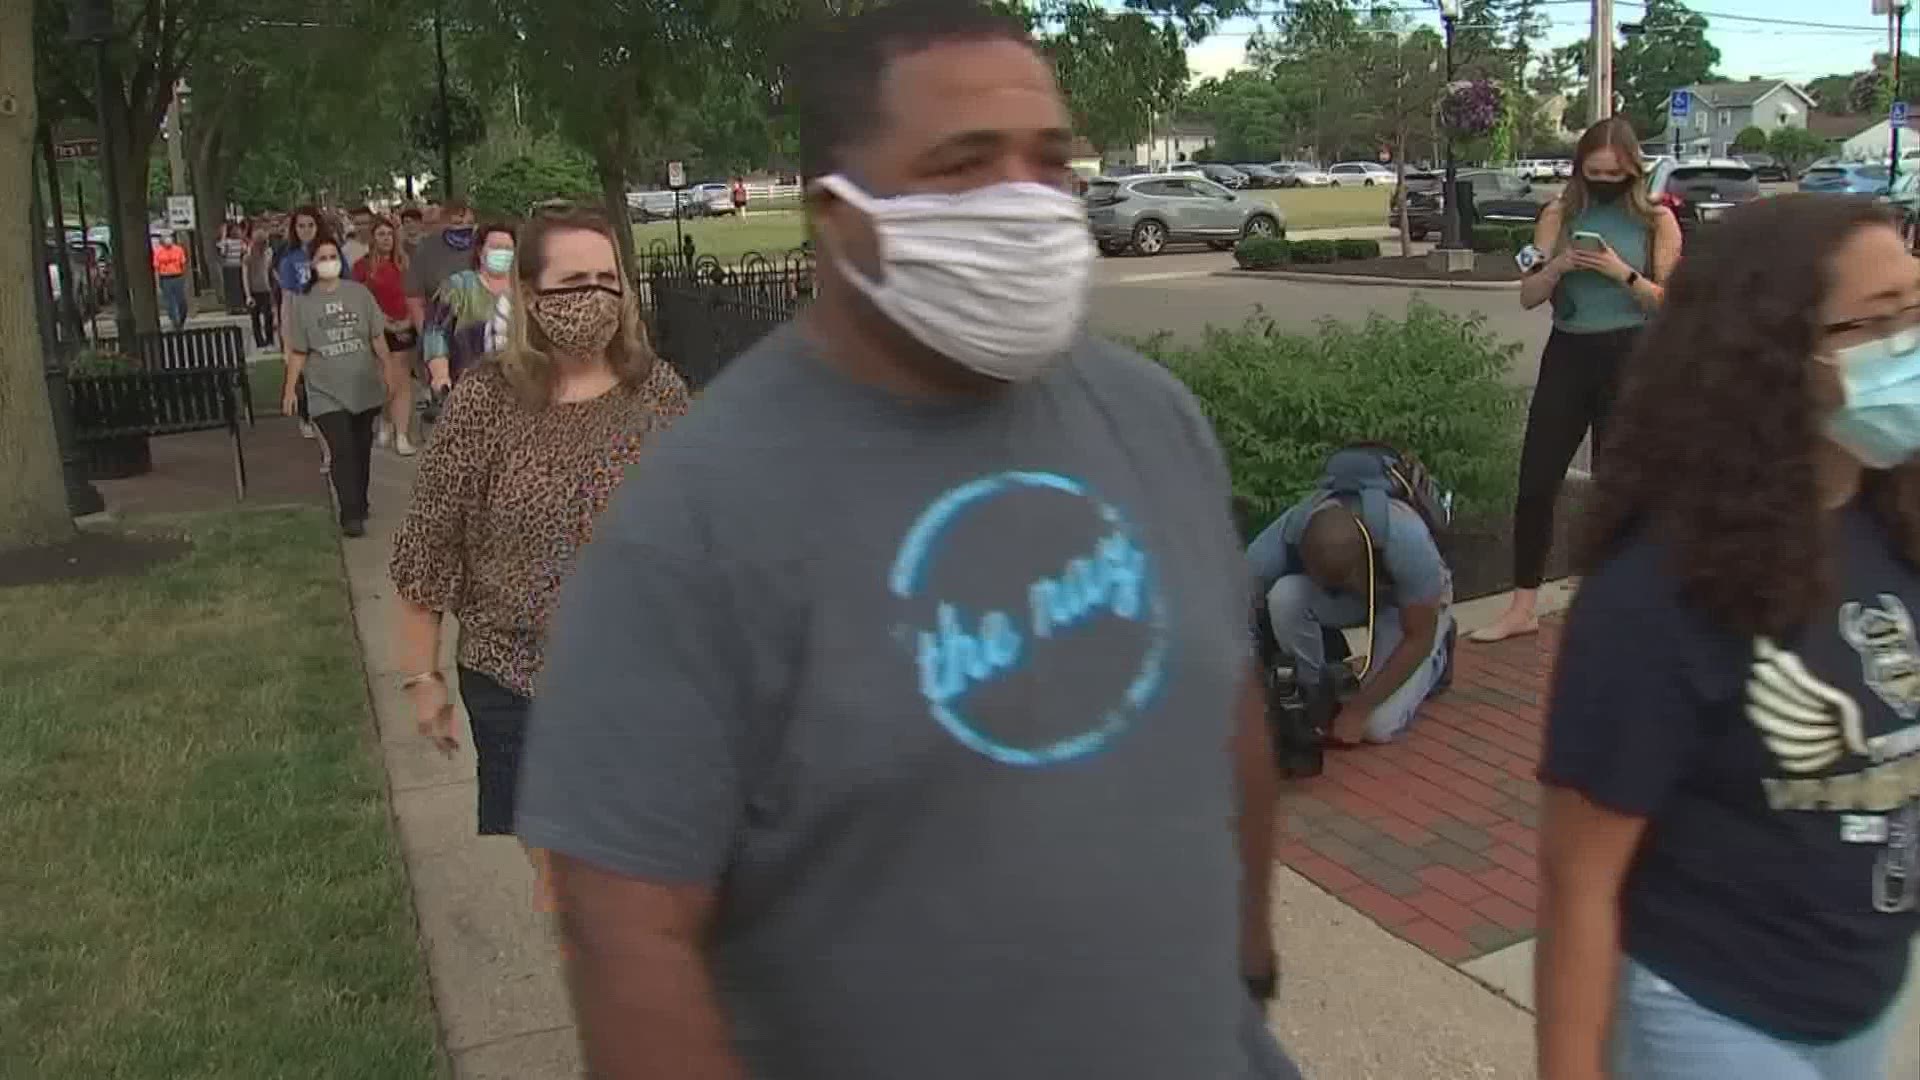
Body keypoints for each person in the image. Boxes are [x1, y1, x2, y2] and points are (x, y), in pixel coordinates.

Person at [515, 5, 1301, 1079]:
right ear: (843, 218)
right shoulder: (693, 522)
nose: (1026, 199)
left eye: (1050, 159)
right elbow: (626, 929)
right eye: (965, 164)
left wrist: (1247, 980)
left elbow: (1228, 712)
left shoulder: (1154, 418)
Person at [1536, 195, 1920, 1080]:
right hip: (1714, 1016)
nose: (1908, 343)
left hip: (1863, 999)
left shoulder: (1894, 523)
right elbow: (1580, 882)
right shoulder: (1658, 592)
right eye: (1879, 322)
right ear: (1776, 356)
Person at [388, 208, 689, 913]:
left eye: (607, 279)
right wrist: (421, 677)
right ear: (527, 294)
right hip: (517, 682)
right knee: (575, 894)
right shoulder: (485, 406)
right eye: (572, 281)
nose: (594, 297)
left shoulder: (660, 395)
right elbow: (427, 549)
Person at [1471, 116, 1682, 644]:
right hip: (1568, 351)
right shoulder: (1559, 214)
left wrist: (1620, 272)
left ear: (1634, 169)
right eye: (1595, 170)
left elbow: (1670, 304)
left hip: (1630, 353)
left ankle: (1615, 598)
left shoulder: (1658, 221)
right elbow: (1527, 293)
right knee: (1538, 478)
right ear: (1579, 169)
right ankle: (1523, 606)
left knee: (1618, 485)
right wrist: (1560, 264)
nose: (1606, 178)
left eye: (1615, 171)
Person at [1249, 458, 1455, 746]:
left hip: (1405, 606)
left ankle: (1440, 656)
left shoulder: (1407, 539)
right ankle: (1313, 687)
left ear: (1365, 557)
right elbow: (1233, 604)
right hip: (1358, 597)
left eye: (1342, 579)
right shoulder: (1288, 532)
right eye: (1323, 581)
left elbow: (1418, 636)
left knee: (1377, 726)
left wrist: (1359, 709)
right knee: (1286, 594)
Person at [283, 238, 391, 538]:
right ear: (313, 264)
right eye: (322, 257)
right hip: (325, 391)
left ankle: (360, 499)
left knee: (360, 449)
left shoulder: (360, 295)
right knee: (341, 450)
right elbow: (299, 352)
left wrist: (388, 372)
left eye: (333, 256)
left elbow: (377, 339)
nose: (329, 261)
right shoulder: (303, 304)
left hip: (363, 385)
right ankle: (350, 513)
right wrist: (291, 389)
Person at [421, 222, 515, 393]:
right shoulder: (457, 286)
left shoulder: (524, 291)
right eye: (495, 247)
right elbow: (435, 331)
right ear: (480, 251)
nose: (502, 253)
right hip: (469, 386)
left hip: (517, 388)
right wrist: (440, 374)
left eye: (508, 248)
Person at [354, 215, 419, 456]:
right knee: (386, 381)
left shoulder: (405, 263)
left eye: (390, 234)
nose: (386, 239)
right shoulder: (362, 267)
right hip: (378, 329)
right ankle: (385, 418)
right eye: (381, 234)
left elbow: (415, 295)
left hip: (405, 326)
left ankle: (402, 435)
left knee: (402, 380)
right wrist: (385, 323)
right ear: (372, 238)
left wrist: (408, 321)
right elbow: (361, 301)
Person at [277, 206, 336, 441]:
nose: (306, 230)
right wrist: (286, 337)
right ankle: (307, 416)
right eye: (301, 226)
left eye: (310, 225)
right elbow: (287, 300)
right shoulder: (290, 259)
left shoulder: (331, 253)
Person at [406, 197, 477, 348]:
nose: (464, 228)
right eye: (457, 223)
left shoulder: (481, 246)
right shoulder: (427, 249)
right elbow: (414, 298)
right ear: (443, 224)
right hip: (441, 333)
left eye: (470, 223)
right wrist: (427, 337)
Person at [245, 222, 277, 348]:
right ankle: (260, 341)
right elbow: (245, 276)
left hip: (266, 289)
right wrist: (248, 295)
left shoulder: (268, 253)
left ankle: (269, 339)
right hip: (254, 289)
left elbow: (271, 271)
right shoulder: (248, 257)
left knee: (268, 316)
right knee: (255, 317)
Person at [151, 230, 190, 331]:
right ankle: (175, 322)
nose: (168, 239)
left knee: (182, 302)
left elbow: (184, 264)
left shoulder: (178, 250)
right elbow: (156, 268)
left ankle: (181, 319)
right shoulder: (158, 251)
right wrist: (157, 283)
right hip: (165, 278)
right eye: (165, 237)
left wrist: (185, 279)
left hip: (178, 277)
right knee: (170, 302)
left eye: (169, 237)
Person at [218, 222, 249, 315]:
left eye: (238, 229)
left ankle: (241, 306)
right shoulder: (227, 242)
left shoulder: (241, 242)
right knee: (230, 288)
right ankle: (231, 307)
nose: (236, 232)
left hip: (239, 266)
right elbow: (222, 252)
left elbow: (245, 250)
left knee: (240, 288)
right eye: (234, 230)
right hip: (229, 267)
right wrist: (223, 236)